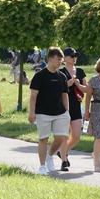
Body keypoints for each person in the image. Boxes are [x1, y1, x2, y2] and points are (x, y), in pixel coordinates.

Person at [28, 47, 70, 175]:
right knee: (43, 139)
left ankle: (50, 155)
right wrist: (32, 112)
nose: (60, 62)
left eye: (61, 60)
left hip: (60, 112)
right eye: (58, 60)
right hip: (43, 113)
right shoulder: (39, 76)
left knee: (61, 137)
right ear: (50, 58)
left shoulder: (62, 76)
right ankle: (42, 166)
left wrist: (67, 112)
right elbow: (33, 96)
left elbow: (65, 95)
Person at [58, 47, 87, 170]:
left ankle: (62, 152)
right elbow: (56, 89)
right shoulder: (60, 72)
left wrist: (78, 84)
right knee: (64, 135)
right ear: (64, 58)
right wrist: (68, 84)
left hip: (76, 106)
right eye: (71, 56)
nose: (74, 58)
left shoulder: (80, 71)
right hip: (63, 106)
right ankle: (64, 161)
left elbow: (86, 89)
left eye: (75, 56)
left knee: (76, 136)